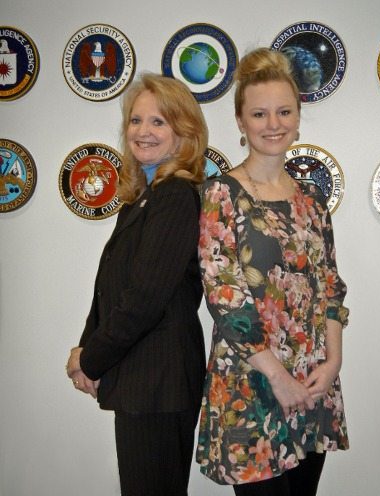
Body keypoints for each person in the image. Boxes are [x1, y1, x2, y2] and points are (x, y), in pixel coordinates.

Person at [195, 48, 349, 496]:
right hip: (252, 386)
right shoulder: (221, 193)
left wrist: (333, 362)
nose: (273, 124)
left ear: (298, 118)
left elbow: (331, 288)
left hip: (312, 383)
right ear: (240, 122)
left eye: (284, 111)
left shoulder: (312, 201)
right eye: (259, 113)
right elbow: (225, 296)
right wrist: (278, 379)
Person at [66, 73, 208, 496]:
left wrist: (91, 359)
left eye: (158, 121)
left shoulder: (175, 196)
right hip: (142, 382)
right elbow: (110, 288)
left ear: (184, 133)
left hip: (158, 384)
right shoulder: (143, 197)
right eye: (136, 120)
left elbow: (144, 299)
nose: (143, 131)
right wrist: (86, 347)